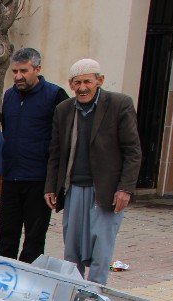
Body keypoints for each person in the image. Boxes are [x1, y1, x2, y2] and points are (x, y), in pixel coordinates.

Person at [45, 58, 141, 285]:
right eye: (77, 83)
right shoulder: (64, 110)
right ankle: (72, 293)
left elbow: (133, 151)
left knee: (101, 250)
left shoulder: (119, 104)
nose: (82, 88)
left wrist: (125, 189)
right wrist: (50, 186)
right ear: (70, 84)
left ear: (100, 81)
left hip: (106, 191)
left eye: (87, 81)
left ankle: (96, 295)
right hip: (74, 188)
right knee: (72, 250)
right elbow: (55, 152)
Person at [0, 47, 69, 263]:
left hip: (39, 180)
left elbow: (62, 141)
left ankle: (28, 284)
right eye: (15, 71)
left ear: (37, 69)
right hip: (11, 178)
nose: (18, 76)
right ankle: (3, 281)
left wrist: (55, 183)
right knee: (6, 238)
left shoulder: (55, 96)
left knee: (34, 240)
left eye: (24, 71)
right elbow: (8, 132)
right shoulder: (9, 96)